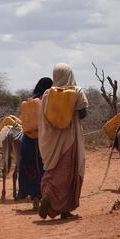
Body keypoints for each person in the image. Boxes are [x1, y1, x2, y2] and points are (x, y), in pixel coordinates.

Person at [36, 63, 89, 220]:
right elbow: (83, 114)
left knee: (52, 170)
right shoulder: (77, 91)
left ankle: (47, 194)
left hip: (50, 140)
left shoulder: (47, 94)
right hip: (70, 138)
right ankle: (65, 209)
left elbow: (43, 116)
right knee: (68, 172)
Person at [16, 76, 51, 206]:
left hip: (27, 139)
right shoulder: (47, 100)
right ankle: (42, 195)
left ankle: (30, 194)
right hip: (42, 139)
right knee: (42, 167)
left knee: (28, 166)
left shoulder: (30, 100)